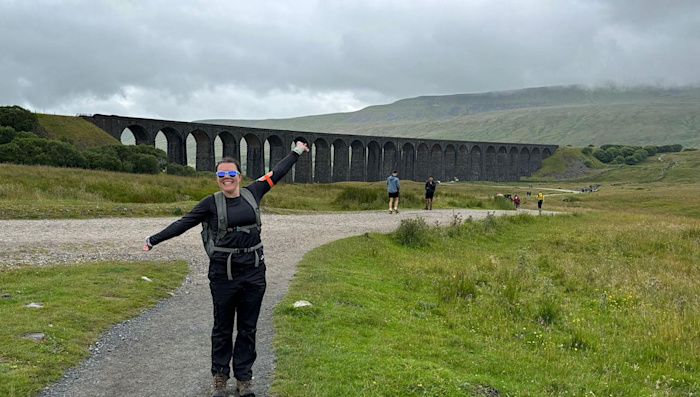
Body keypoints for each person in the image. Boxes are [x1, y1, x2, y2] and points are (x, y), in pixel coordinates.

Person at [142, 141, 309, 397]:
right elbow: (183, 223)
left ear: (239, 176)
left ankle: (244, 379)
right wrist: (153, 240)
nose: (226, 178)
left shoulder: (255, 191)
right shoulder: (210, 203)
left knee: (248, 327)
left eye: (231, 174)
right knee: (222, 326)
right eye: (221, 175)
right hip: (223, 274)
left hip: (253, 271)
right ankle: (220, 376)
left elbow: (278, 171)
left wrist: (296, 151)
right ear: (217, 178)